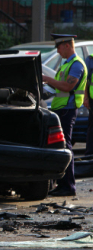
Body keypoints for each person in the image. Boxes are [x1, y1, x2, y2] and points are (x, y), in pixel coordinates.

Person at [42, 34, 87, 197]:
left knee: (65, 147)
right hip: (61, 109)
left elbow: (67, 87)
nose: (58, 51)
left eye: (59, 47)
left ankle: (68, 186)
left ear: (67, 46)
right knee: (60, 147)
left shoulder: (76, 65)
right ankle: (61, 185)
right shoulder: (65, 64)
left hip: (67, 110)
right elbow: (57, 88)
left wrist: (48, 79)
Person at [84, 53, 93, 155]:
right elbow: (86, 81)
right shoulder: (90, 60)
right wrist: (86, 98)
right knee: (92, 127)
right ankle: (89, 153)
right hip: (92, 99)